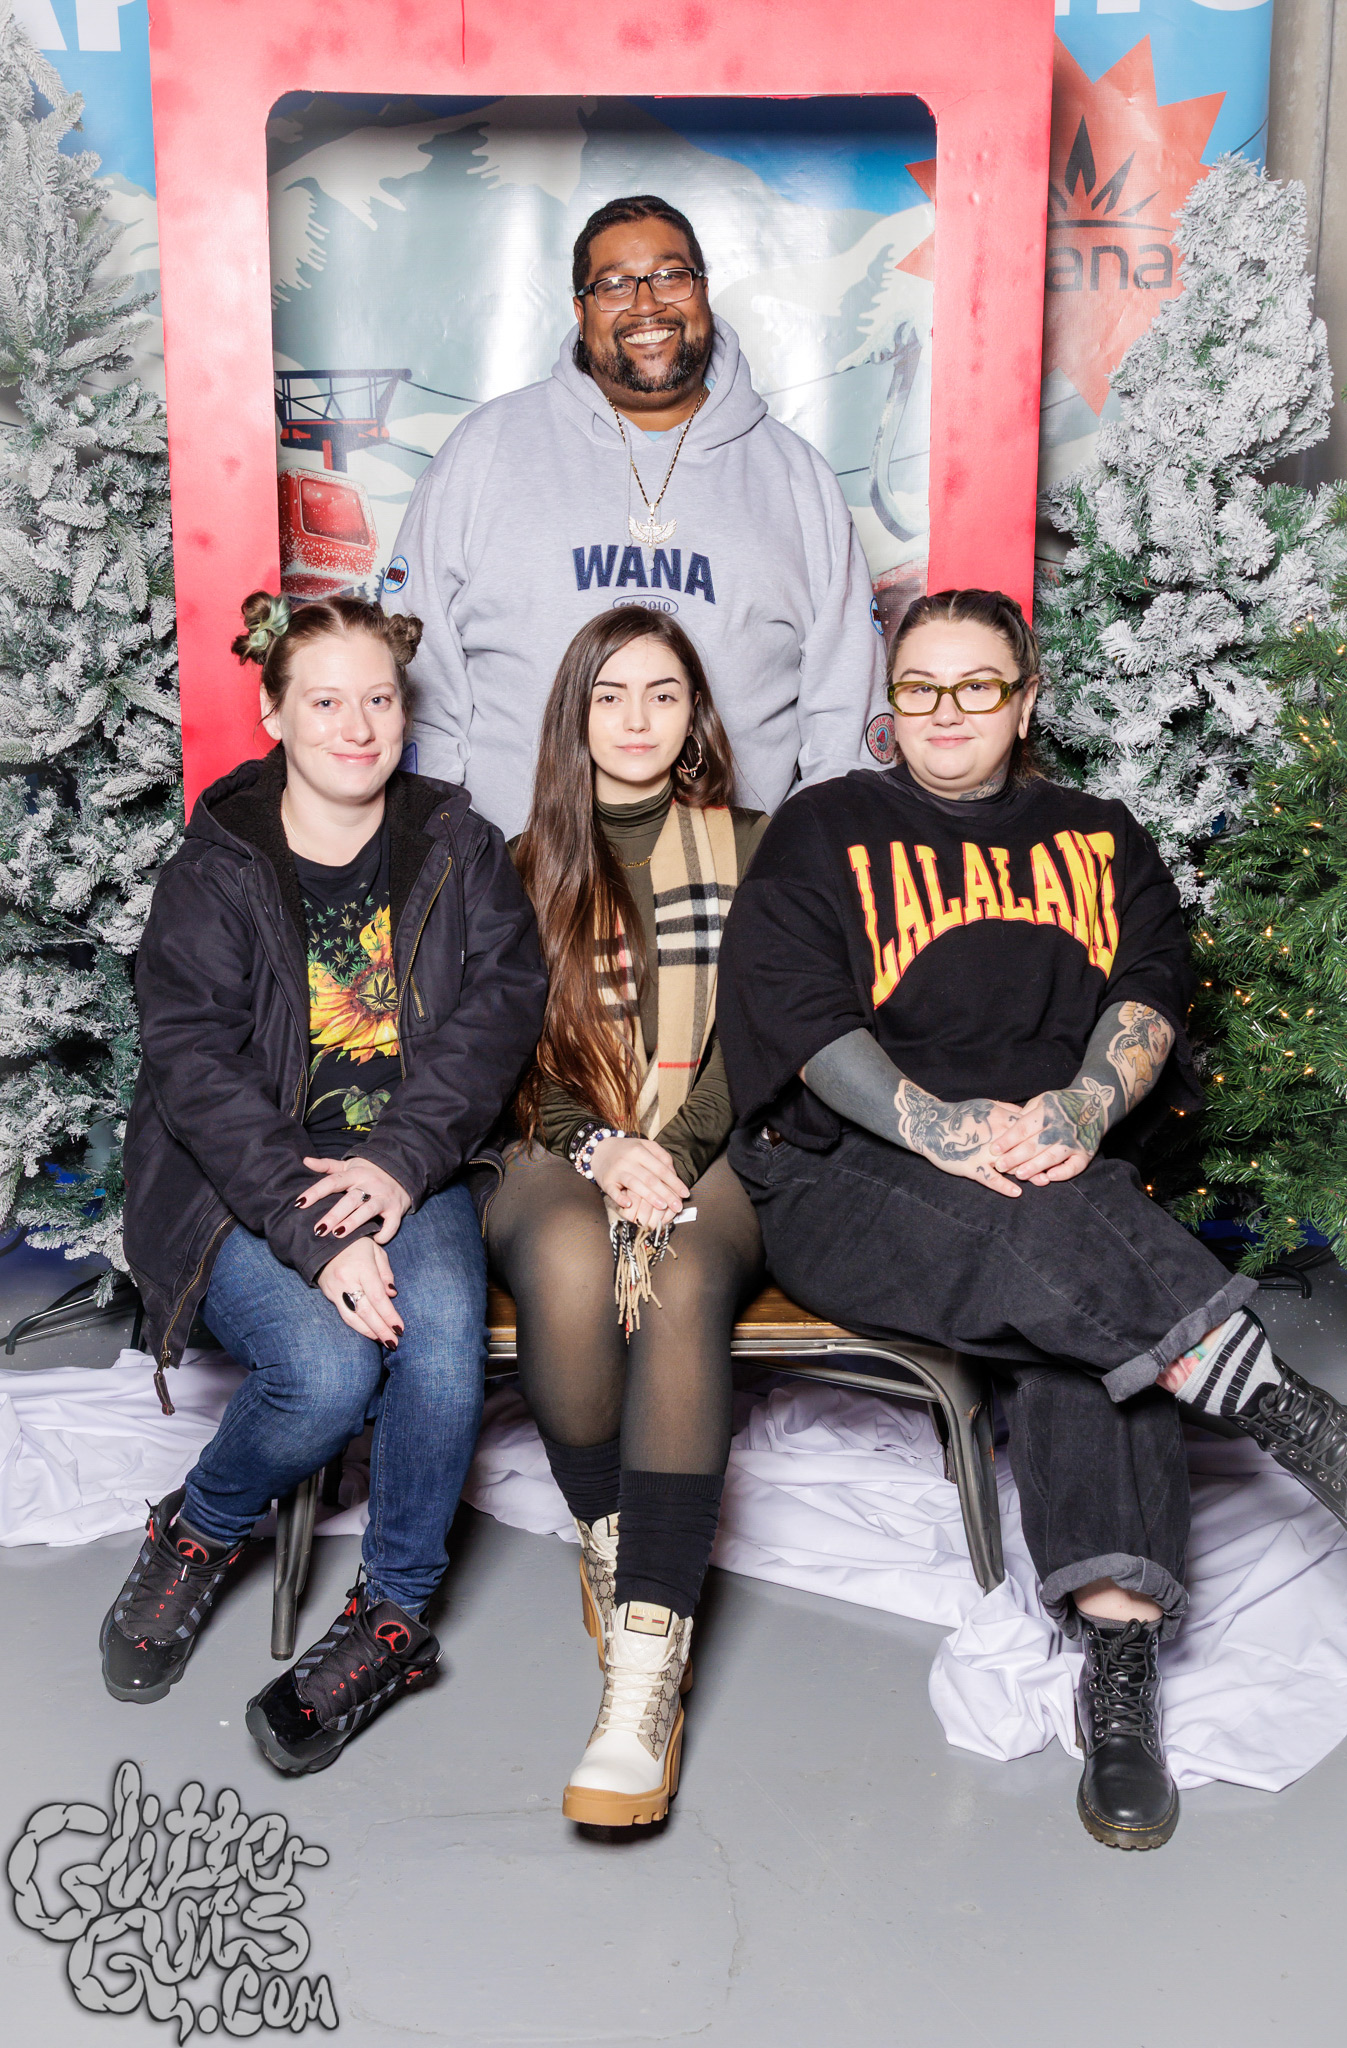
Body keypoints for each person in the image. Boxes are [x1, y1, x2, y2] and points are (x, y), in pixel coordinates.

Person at [718, 586, 1347, 1852]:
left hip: (1060, 1162)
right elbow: (801, 1014)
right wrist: (945, 1127)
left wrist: (1080, 1105)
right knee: (1057, 1236)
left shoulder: (1101, 835)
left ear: (1026, 700)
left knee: (1081, 1313)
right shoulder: (824, 825)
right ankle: (1306, 1422)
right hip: (849, 1174)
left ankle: (1120, 1674)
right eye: (919, 687)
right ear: (889, 702)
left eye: (977, 685)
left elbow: (1153, 986)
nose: (945, 711)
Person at [105, 591, 546, 1773]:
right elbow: (196, 1070)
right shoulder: (217, 865)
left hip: (411, 1158)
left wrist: (401, 1163)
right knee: (324, 1370)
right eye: (326, 701)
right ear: (274, 713)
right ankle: (198, 1529)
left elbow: (499, 1015)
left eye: (379, 699)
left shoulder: (457, 842)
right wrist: (317, 1233)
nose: (358, 726)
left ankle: (392, 1613)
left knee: (439, 1342)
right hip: (245, 1172)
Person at [486, 604, 767, 1827]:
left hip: (722, 1136)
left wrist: (672, 1154)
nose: (638, 719)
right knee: (562, 1251)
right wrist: (601, 1148)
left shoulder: (757, 846)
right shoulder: (519, 866)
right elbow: (504, 1056)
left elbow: (766, 1033)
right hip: (563, 1132)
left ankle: (648, 1656)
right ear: (576, 715)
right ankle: (612, 1528)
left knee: (685, 1269)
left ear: (695, 712)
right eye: (610, 695)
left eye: (664, 692)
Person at [388, 192, 881, 838]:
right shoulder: (484, 451)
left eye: (670, 276)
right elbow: (416, 670)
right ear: (580, 310)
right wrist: (445, 857)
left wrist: (804, 871)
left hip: (736, 886)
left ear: (703, 290)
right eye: (615, 284)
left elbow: (846, 707)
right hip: (510, 882)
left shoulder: (796, 477)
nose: (646, 305)